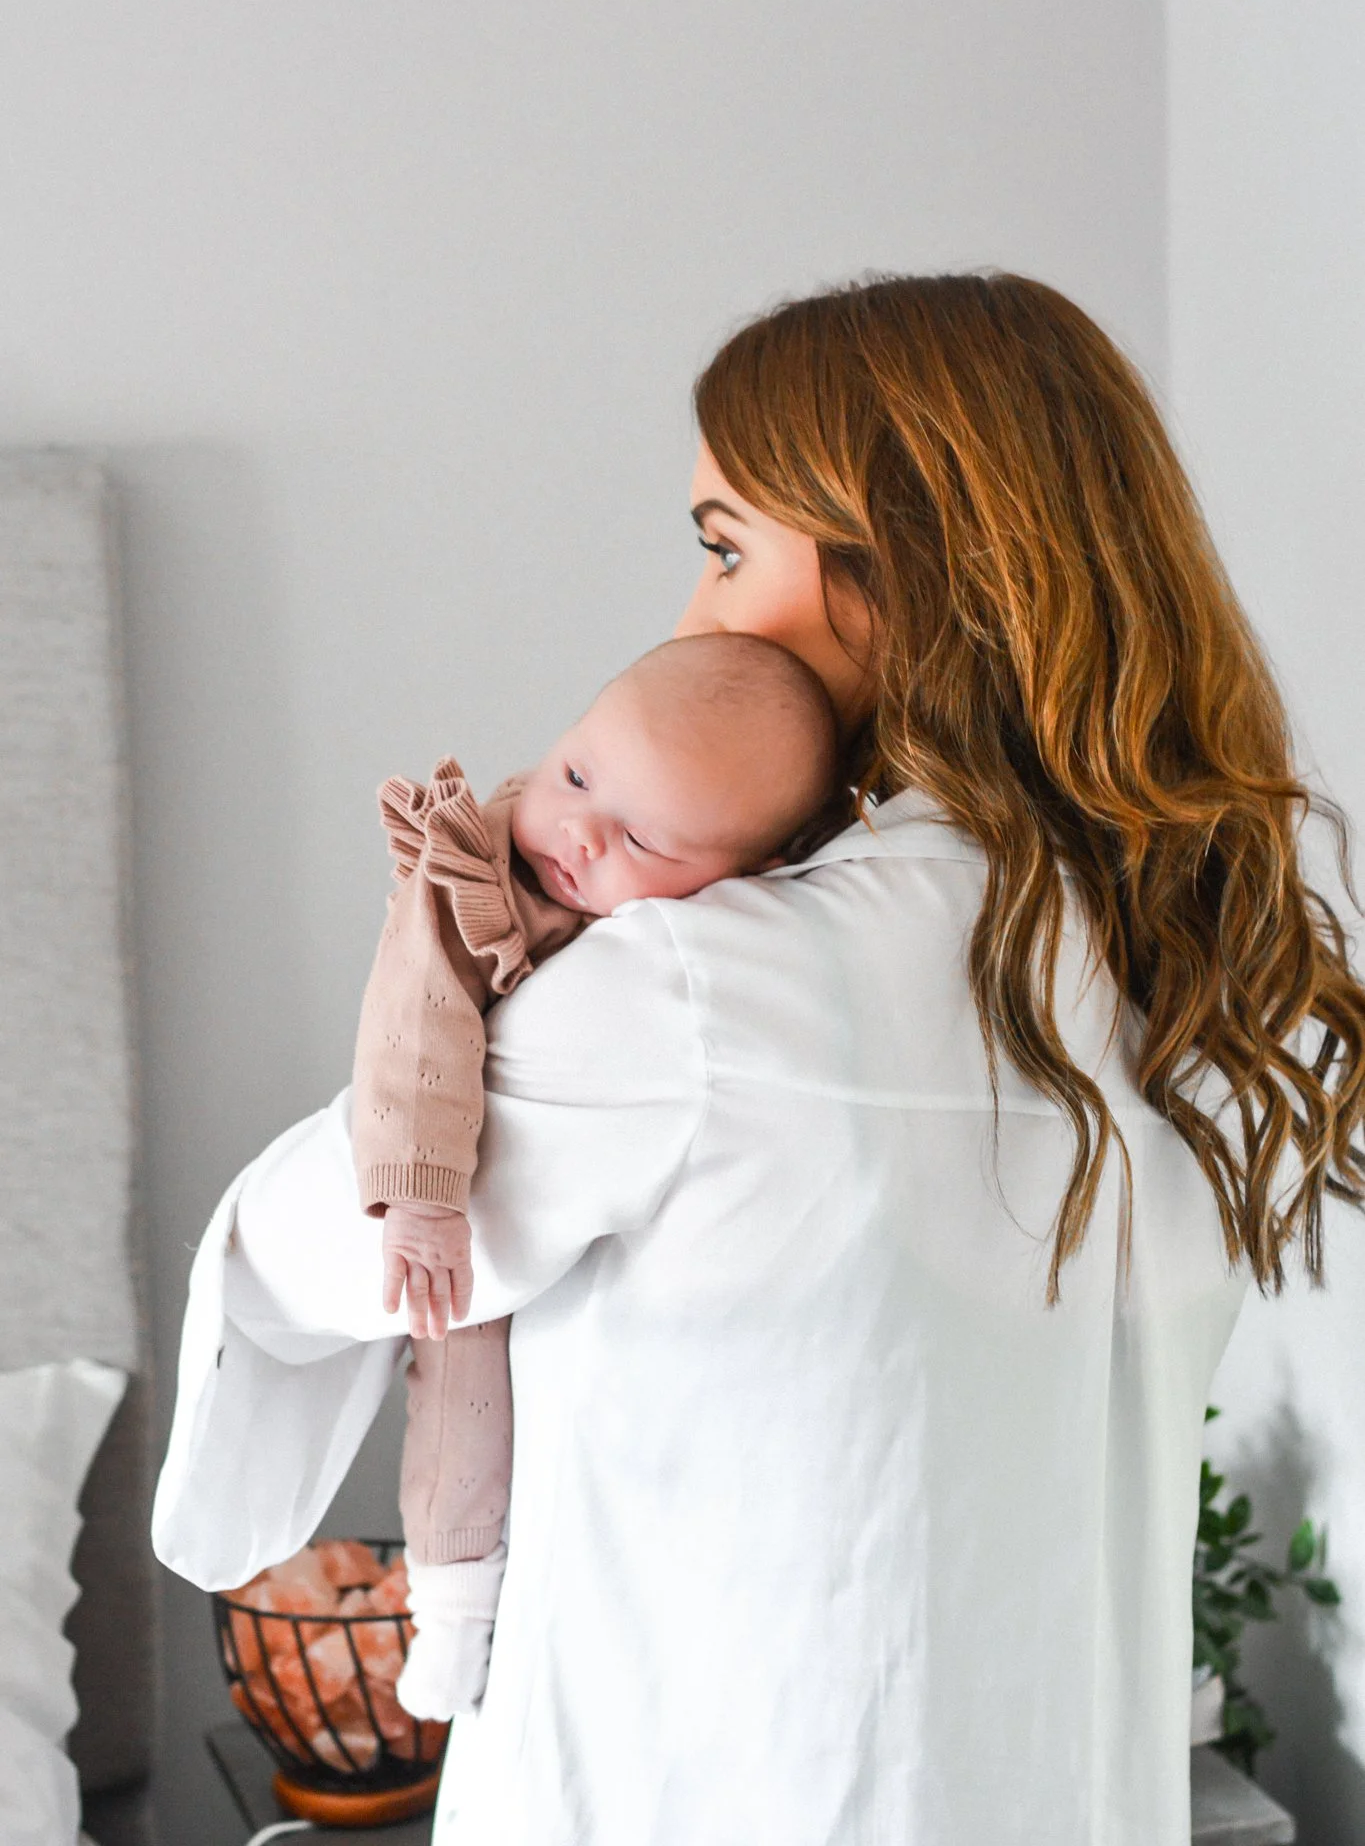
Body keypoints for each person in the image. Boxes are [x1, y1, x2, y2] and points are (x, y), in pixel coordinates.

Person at [153, 271, 1365, 1846]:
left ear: (914, 569)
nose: (691, 613)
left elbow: (310, 1250)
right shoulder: (1187, 970)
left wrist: (460, 973)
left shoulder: (698, 987)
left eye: (726, 547)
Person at [349, 632, 838, 1718]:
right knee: (462, 1372)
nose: (577, 830)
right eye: (576, 773)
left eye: (643, 838)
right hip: (471, 1190)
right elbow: (412, 1027)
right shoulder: (472, 871)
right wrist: (423, 1196)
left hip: (623, 1231)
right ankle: (452, 1599)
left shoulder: (730, 936)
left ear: (745, 877)